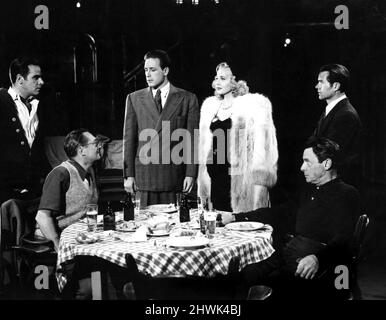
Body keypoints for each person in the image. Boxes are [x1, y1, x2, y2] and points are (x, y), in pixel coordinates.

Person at [221, 137, 361, 299]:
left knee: (269, 285)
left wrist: (318, 259)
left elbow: (344, 239)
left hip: (319, 265)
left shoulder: (347, 194)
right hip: (289, 254)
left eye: (307, 162)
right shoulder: (309, 191)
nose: (302, 168)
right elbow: (278, 213)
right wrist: (236, 217)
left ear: (326, 164)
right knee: (245, 273)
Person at [197, 62, 278, 212]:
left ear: (235, 81)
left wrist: (261, 181)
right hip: (215, 177)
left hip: (239, 178)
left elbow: (263, 147)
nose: (217, 82)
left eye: (223, 78)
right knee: (216, 226)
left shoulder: (254, 106)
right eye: (216, 78)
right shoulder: (210, 107)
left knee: (239, 226)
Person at [123, 49, 199, 206]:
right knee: (145, 225)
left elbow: (192, 140)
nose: (148, 74)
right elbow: (129, 140)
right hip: (144, 176)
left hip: (174, 175)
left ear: (165, 71)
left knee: (174, 225)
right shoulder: (134, 98)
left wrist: (190, 174)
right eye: (145, 70)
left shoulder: (187, 98)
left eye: (153, 69)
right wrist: (128, 175)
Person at [0, 57, 49, 204]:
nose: (41, 82)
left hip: (33, 192)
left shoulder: (36, 106)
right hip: (5, 195)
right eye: (36, 78)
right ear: (20, 79)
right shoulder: (2, 102)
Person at [312, 63, 362, 187]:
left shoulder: (346, 114)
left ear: (335, 86)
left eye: (321, 82)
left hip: (337, 186)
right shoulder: (332, 110)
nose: (317, 86)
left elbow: (330, 153)